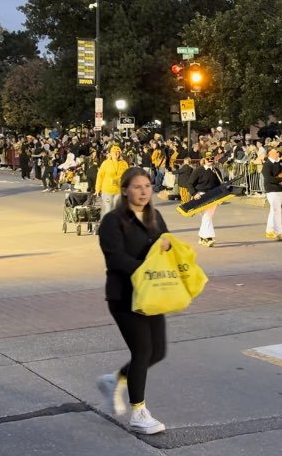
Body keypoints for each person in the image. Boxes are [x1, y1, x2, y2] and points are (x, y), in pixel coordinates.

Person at [96, 167, 170, 435]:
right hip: (124, 295)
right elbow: (115, 259)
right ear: (125, 190)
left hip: (152, 294)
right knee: (142, 351)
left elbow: (166, 244)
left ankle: (113, 380)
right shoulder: (112, 221)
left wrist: (172, 250)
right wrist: (146, 267)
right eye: (137, 187)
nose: (143, 191)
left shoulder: (155, 216)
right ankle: (139, 412)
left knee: (157, 351)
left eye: (147, 186)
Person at [191, 153, 224, 246]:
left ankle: (204, 238)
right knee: (207, 216)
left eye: (212, 158)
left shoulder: (216, 171)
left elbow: (220, 185)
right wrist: (194, 193)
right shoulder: (198, 170)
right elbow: (190, 183)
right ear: (204, 159)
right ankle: (207, 238)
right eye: (208, 158)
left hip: (213, 195)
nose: (210, 160)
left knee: (207, 216)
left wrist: (221, 197)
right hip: (201, 195)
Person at [96, 145, 130, 218]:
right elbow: (100, 176)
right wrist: (97, 189)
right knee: (108, 210)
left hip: (118, 191)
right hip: (107, 190)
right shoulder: (105, 163)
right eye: (114, 152)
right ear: (110, 154)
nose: (116, 154)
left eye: (118, 152)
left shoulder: (124, 163)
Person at [262, 147, 282, 240]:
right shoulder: (267, 164)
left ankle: (270, 231)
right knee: (276, 210)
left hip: (280, 189)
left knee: (274, 211)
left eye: (277, 151)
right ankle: (278, 232)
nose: (277, 152)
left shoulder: (279, 163)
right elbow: (268, 178)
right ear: (270, 153)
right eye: (275, 151)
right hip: (272, 190)